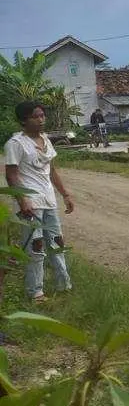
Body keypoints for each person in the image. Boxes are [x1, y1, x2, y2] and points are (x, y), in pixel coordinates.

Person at [4, 100, 75, 303]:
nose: (41, 119)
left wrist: (65, 194)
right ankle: (35, 292)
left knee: (56, 243)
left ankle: (64, 285)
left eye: (42, 115)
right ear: (24, 120)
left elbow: (51, 171)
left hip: (49, 201)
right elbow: (12, 175)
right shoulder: (15, 144)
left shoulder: (46, 140)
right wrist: (22, 199)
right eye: (36, 116)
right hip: (31, 203)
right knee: (35, 247)